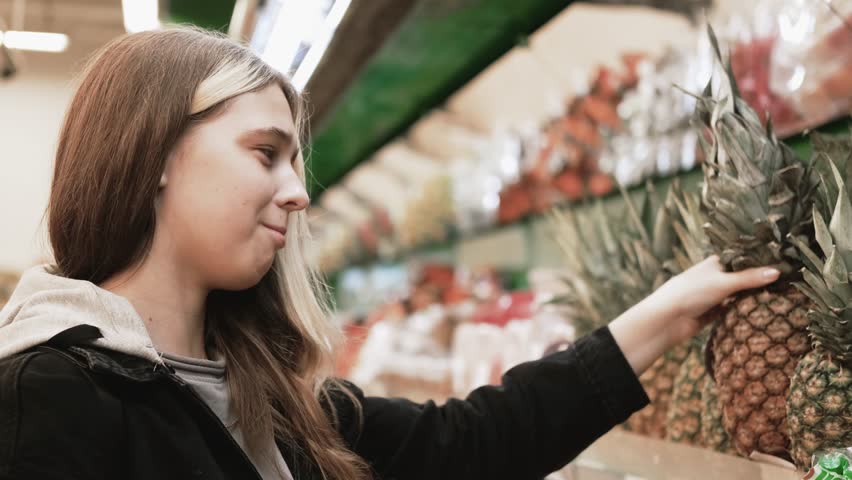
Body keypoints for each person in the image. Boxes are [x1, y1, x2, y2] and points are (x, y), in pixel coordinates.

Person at [0, 27, 781, 480]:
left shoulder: (275, 404)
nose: (298, 192)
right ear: (156, 154)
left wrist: (671, 310)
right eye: (265, 153)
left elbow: (474, 444)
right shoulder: (51, 393)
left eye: (296, 163)